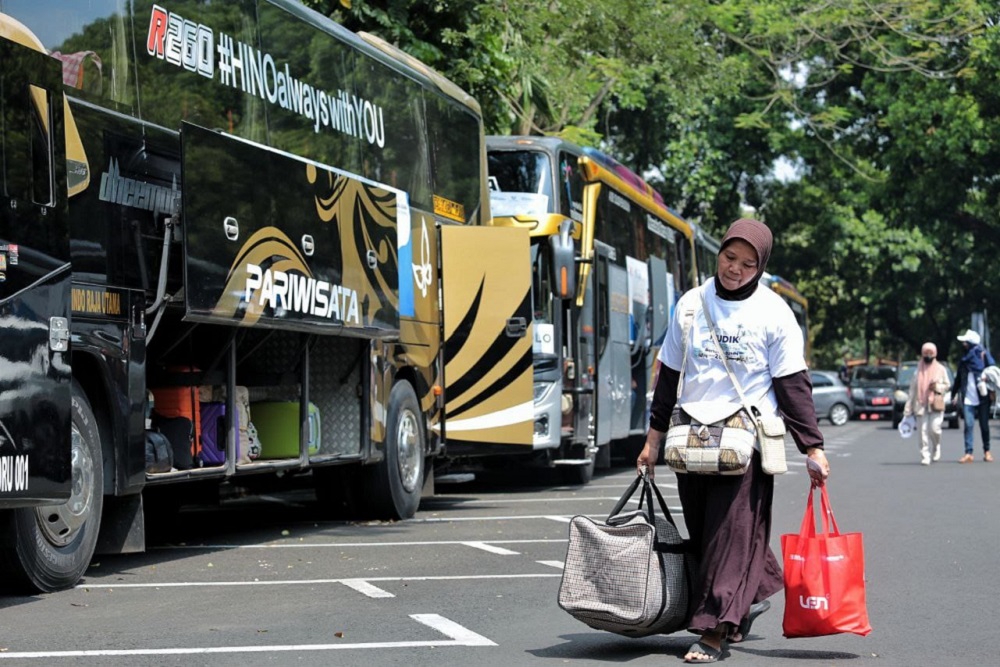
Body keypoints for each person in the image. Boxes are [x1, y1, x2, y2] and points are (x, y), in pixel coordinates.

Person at [637, 218, 830, 664]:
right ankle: (754, 591)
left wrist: (813, 447)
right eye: (729, 258)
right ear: (718, 253)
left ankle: (713, 630)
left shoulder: (773, 313)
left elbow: (793, 386)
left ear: (760, 267)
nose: (735, 269)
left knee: (731, 535)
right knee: (708, 533)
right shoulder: (690, 304)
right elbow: (668, 377)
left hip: (745, 443)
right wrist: (652, 440)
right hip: (693, 438)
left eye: (747, 263)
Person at [902, 342, 951, 465]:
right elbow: (912, 390)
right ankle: (925, 455)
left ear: (935, 354)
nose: (928, 356)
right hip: (920, 403)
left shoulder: (941, 369)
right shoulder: (918, 370)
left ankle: (936, 445)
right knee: (922, 431)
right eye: (925, 353)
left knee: (934, 429)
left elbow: (947, 385)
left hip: (935, 403)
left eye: (930, 353)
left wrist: (937, 387)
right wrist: (908, 409)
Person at [953, 329, 995, 463]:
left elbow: (993, 371)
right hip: (968, 398)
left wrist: (985, 379)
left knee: (984, 425)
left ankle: (987, 451)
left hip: (983, 397)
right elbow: (958, 379)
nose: (963, 344)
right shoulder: (963, 361)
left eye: (965, 342)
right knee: (968, 425)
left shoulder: (983, 355)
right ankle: (968, 452)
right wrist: (953, 394)